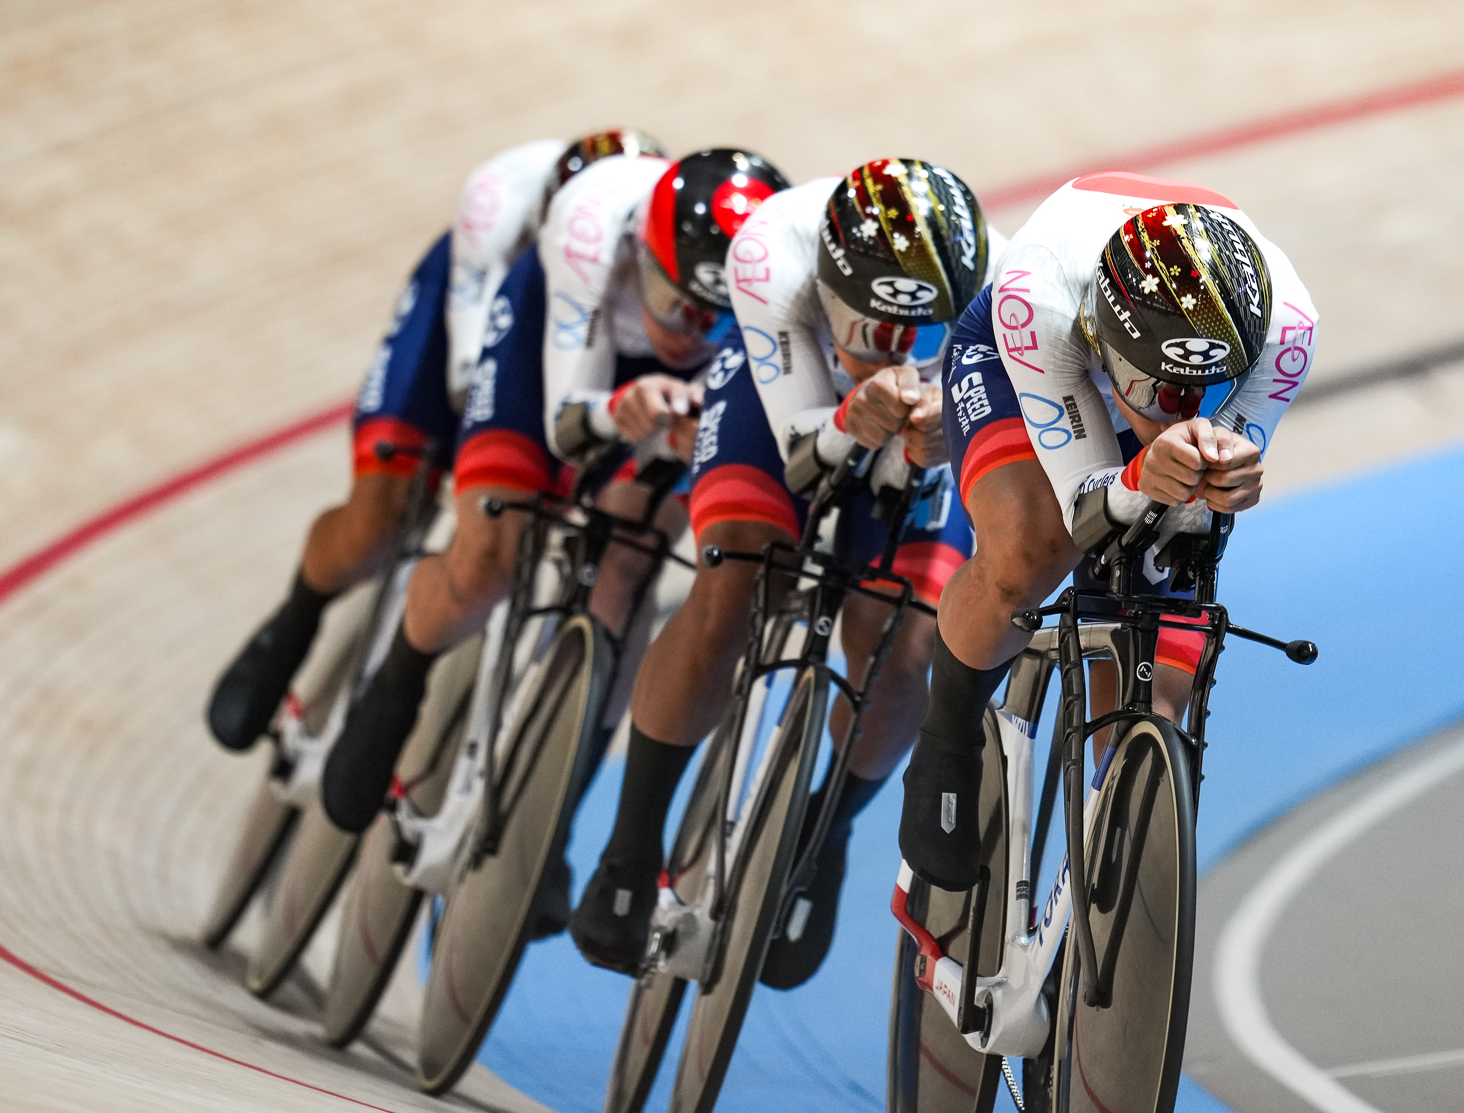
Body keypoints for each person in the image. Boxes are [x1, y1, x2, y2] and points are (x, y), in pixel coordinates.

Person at [568, 158, 1001, 986]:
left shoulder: (999, 294)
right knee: (735, 581)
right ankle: (630, 851)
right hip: (785, 401)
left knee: (909, 646)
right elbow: (802, 449)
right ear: (828, 286)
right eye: (870, 327)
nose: (889, 348)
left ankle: (823, 833)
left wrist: (945, 420)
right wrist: (847, 419)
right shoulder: (771, 254)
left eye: (912, 330)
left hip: (923, 430)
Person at [317, 148, 789, 852]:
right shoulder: (590, 231)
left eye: (712, 317)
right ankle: (399, 677)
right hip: (558, 343)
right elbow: (566, 420)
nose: (689, 328)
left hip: (668, 391)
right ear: (642, 254)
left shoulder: (764, 288)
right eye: (677, 304)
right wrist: (617, 409)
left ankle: (552, 823)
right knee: (487, 560)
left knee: (633, 564)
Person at [897, 172, 1318, 891]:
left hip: (1171, 350)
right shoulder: (1042, 297)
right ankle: (948, 736)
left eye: (1205, 392)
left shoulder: (1287, 329)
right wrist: (1132, 477)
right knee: (1032, 551)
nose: (1180, 410)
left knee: (1166, 633)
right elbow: (1082, 509)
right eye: (1159, 391)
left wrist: (1228, 478)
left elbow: (1202, 492)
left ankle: (1105, 893)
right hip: (1031, 367)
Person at [205, 130, 667, 752]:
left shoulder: (643, 261)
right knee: (375, 524)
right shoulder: (499, 204)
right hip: (464, 322)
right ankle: (295, 620)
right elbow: (469, 375)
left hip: (596, 338)